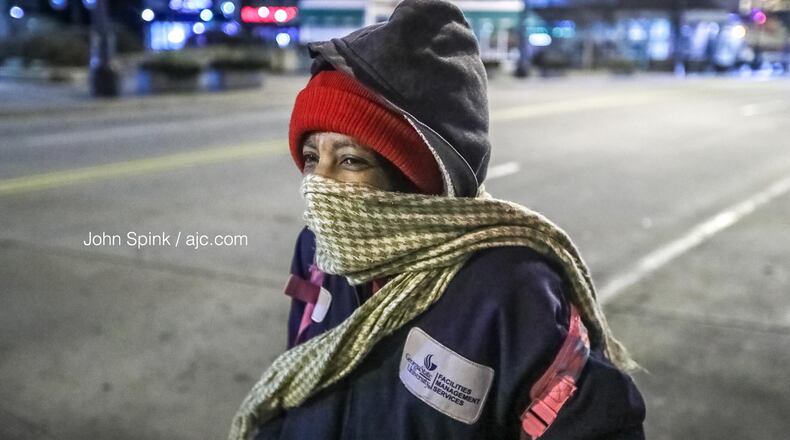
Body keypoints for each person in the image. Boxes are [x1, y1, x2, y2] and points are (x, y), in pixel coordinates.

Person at [229, 1, 645, 439]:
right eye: (312, 157)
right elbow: (299, 374)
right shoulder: (317, 250)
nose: (319, 183)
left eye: (350, 160)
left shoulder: (506, 290)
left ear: (420, 183)